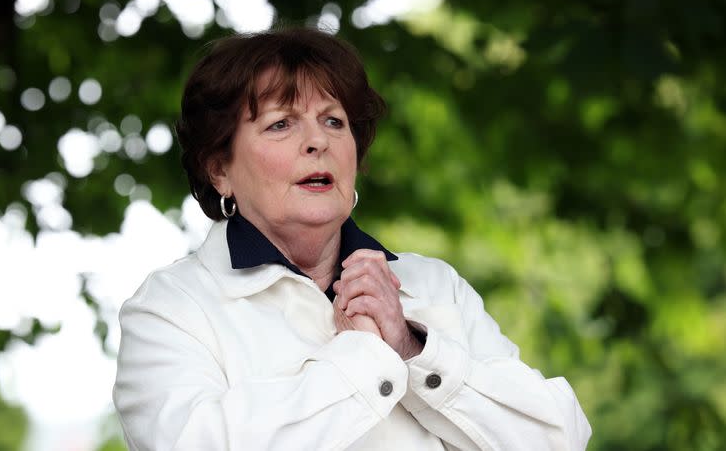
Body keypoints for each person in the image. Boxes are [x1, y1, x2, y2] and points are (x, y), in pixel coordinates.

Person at [112, 28, 592, 450]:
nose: (317, 141)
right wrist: (365, 358)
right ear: (219, 170)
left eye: (333, 121)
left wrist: (410, 348)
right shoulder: (170, 310)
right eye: (280, 123)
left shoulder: (434, 284)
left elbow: (557, 437)